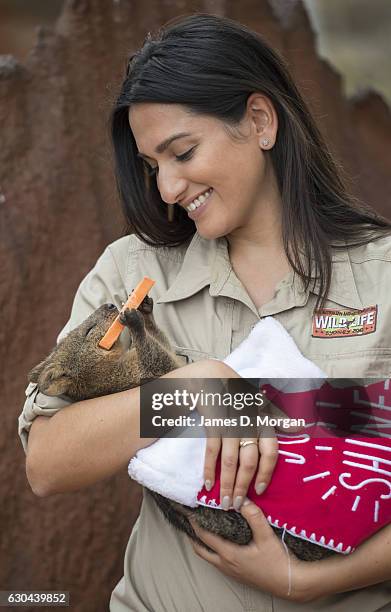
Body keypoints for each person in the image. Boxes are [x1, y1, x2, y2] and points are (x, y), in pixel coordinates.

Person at [19, 13, 391, 611]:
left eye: (182, 151)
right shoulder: (132, 274)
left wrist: (311, 582)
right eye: (151, 165)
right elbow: (47, 461)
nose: (166, 186)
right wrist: (196, 388)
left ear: (260, 121)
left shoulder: (384, 274)